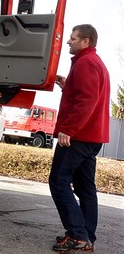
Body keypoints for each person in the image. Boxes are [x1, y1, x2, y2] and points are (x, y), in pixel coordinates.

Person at [49, 24, 110, 252]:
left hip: (78, 137)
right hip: (92, 137)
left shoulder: (85, 63)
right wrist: (68, 86)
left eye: (73, 38)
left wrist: (69, 129)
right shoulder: (94, 62)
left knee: (59, 181)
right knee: (85, 188)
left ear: (86, 41)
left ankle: (77, 234)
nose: (68, 41)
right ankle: (87, 237)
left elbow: (86, 101)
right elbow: (87, 95)